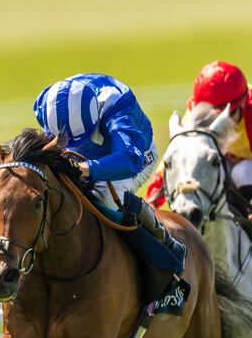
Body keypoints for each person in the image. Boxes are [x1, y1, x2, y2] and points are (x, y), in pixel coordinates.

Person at [146, 60, 252, 229]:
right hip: (222, 160)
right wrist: (152, 202)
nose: (214, 124)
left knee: (243, 172)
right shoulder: (200, 115)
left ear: (242, 105)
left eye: (221, 117)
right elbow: (176, 159)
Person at [33, 73, 179, 256]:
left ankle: (161, 239)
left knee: (106, 198)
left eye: (80, 138)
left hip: (136, 153)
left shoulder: (116, 107)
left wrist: (86, 169)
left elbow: (129, 159)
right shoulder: (45, 105)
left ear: (96, 116)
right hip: (87, 155)